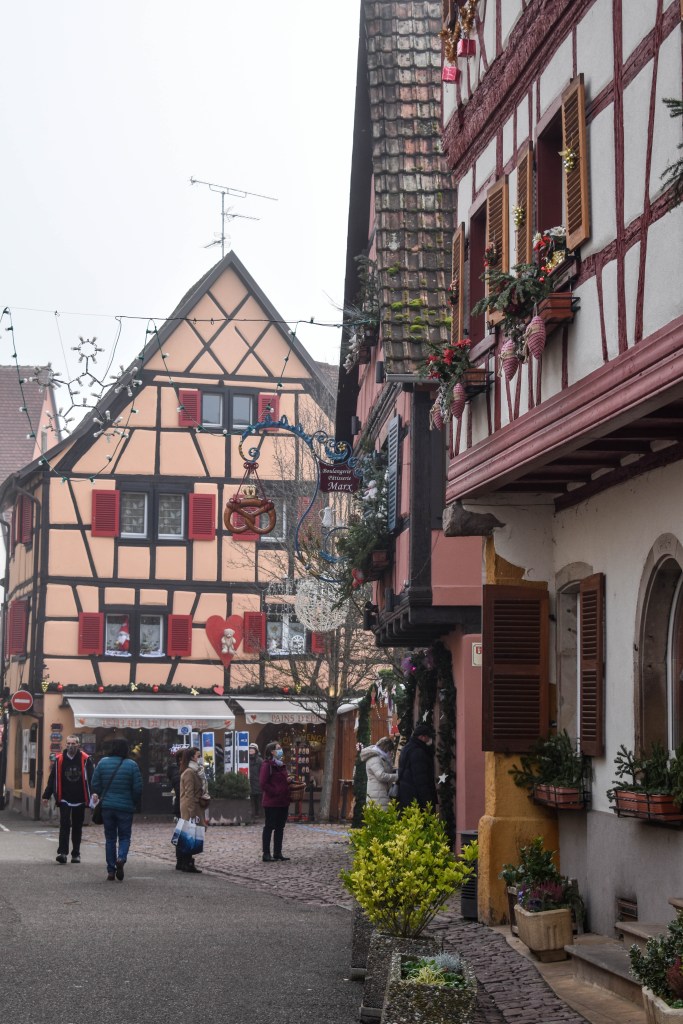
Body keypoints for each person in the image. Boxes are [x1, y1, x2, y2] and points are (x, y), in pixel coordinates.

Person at [91, 738, 143, 882]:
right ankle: (121, 858)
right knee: (125, 836)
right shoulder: (132, 765)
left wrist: (101, 794)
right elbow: (138, 788)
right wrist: (133, 801)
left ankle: (110, 871)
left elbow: (95, 783)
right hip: (125, 807)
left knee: (110, 839)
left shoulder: (102, 763)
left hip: (107, 806)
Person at [42, 734, 94, 864]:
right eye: (69, 743)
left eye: (73, 743)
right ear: (66, 745)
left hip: (80, 798)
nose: (71, 746)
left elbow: (92, 779)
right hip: (64, 797)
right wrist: (46, 796)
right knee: (64, 825)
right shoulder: (59, 759)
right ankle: (63, 853)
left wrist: (94, 794)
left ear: (78, 745)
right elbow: (52, 779)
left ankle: (76, 853)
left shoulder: (86, 759)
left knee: (77, 826)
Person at [259, 740, 291, 862]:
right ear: (272, 751)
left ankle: (278, 852)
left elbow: (281, 780)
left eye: (280, 748)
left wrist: (287, 781)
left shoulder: (281, 765)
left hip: (283, 801)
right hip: (271, 802)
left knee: (280, 827)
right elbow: (263, 783)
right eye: (278, 748)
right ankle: (266, 853)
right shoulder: (267, 765)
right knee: (269, 827)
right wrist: (275, 791)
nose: (280, 750)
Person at [178, 746, 208, 874]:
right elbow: (189, 793)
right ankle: (187, 862)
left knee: (190, 834)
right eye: (198, 755)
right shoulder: (190, 772)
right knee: (190, 834)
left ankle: (185, 862)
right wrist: (191, 812)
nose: (200, 758)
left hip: (194, 805)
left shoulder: (195, 771)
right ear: (192, 757)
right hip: (191, 806)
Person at [396, 722, 438, 810]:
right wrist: (427, 802)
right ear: (422, 737)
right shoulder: (418, 752)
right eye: (428, 737)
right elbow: (421, 779)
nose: (429, 740)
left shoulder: (407, 748)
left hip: (407, 796)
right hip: (416, 799)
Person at [360, 736, 397, 810]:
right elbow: (381, 776)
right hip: (377, 797)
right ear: (386, 749)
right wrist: (397, 776)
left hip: (381, 794)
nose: (391, 754)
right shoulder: (374, 758)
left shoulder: (381, 757)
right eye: (390, 751)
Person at [248, 742, 263, 818]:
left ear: (256, 750)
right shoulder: (246, 760)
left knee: (258, 800)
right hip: (250, 782)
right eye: (250, 749)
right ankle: (252, 814)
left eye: (252, 749)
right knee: (251, 799)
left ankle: (258, 814)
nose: (250, 751)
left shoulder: (260, 760)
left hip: (258, 783)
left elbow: (263, 772)